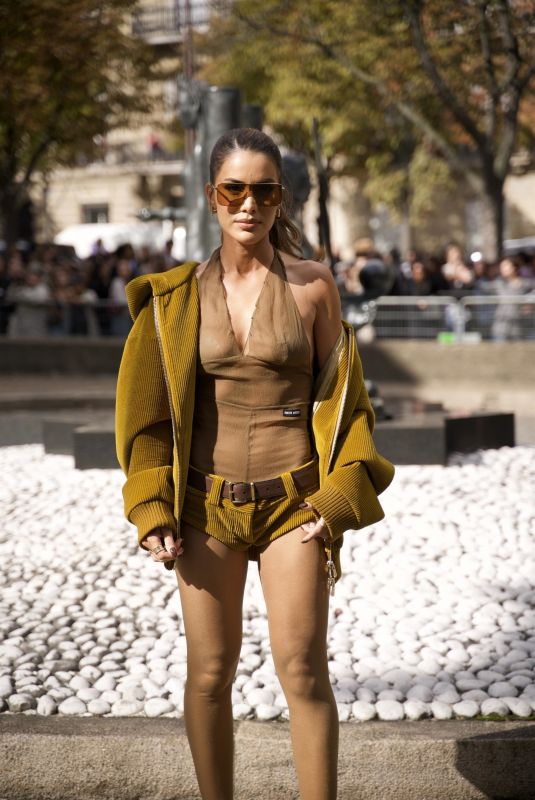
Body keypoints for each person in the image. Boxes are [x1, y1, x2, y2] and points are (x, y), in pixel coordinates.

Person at [115, 127, 394, 800]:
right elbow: (147, 415)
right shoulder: (170, 301)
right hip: (203, 510)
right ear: (211, 196)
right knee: (209, 672)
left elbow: (345, 406)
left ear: (280, 198)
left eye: (263, 190)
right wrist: (150, 508)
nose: (249, 204)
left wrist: (334, 503)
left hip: (293, 507)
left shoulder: (312, 288)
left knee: (301, 669)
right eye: (233, 189)